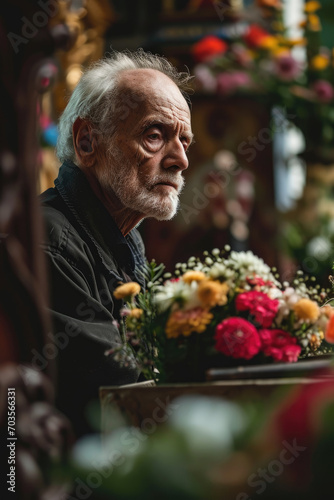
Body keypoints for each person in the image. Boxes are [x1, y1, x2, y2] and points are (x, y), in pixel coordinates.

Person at [40, 49, 193, 437]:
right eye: (155, 135)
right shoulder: (48, 238)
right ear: (87, 142)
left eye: (184, 141)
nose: (180, 160)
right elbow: (116, 381)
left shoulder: (126, 236)